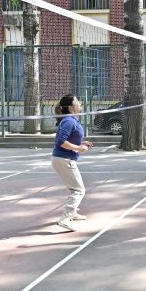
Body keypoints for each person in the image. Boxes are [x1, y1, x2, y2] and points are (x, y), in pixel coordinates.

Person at [52, 95, 93, 232]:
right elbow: (61, 141)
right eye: (77, 101)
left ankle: (73, 212)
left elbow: (69, 139)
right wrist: (79, 148)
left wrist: (81, 143)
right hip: (64, 160)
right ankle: (65, 218)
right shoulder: (69, 121)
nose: (79, 103)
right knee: (79, 190)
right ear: (70, 107)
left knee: (73, 188)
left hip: (64, 159)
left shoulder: (71, 120)